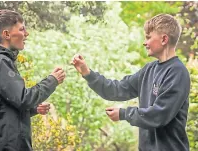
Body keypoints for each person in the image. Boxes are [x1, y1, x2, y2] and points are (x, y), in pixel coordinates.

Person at [71, 14, 190, 151]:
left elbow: (158, 115)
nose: (145, 43)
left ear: (164, 39)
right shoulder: (148, 70)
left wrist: (123, 114)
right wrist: (87, 73)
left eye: (148, 37)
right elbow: (117, 89)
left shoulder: (177, 72)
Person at [0, 9, 65, 151]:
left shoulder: (0, 61)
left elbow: (6, 106)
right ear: (6, 34)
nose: (26, 34)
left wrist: (34, 108)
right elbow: (23, 98)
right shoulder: (1, 63)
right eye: (22, 29)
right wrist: (52, 80)